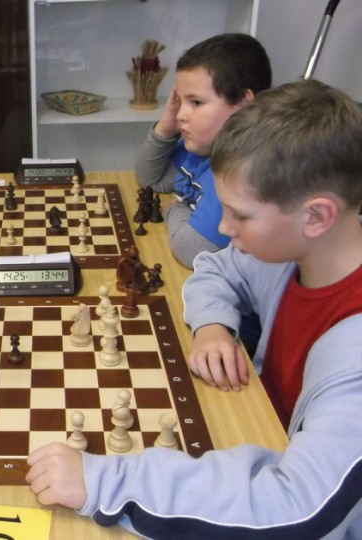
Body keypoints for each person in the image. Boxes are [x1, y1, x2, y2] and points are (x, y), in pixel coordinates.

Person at [26, 80, 362, 538]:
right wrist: (212, 325)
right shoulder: (292, 255)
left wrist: (106, 482)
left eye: (240, 215)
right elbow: (216, 268)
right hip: (258, 428)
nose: (223, 227)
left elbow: (296, 510)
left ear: (316, 216)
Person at [135, 33, 271, 269]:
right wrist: (166, 127)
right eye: (179, 101)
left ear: (243, 103)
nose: (181, 115)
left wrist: (176, 208)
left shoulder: (242, 170)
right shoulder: (202, 147)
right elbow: (151, 180)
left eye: (196, 102)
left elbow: (191, 250)